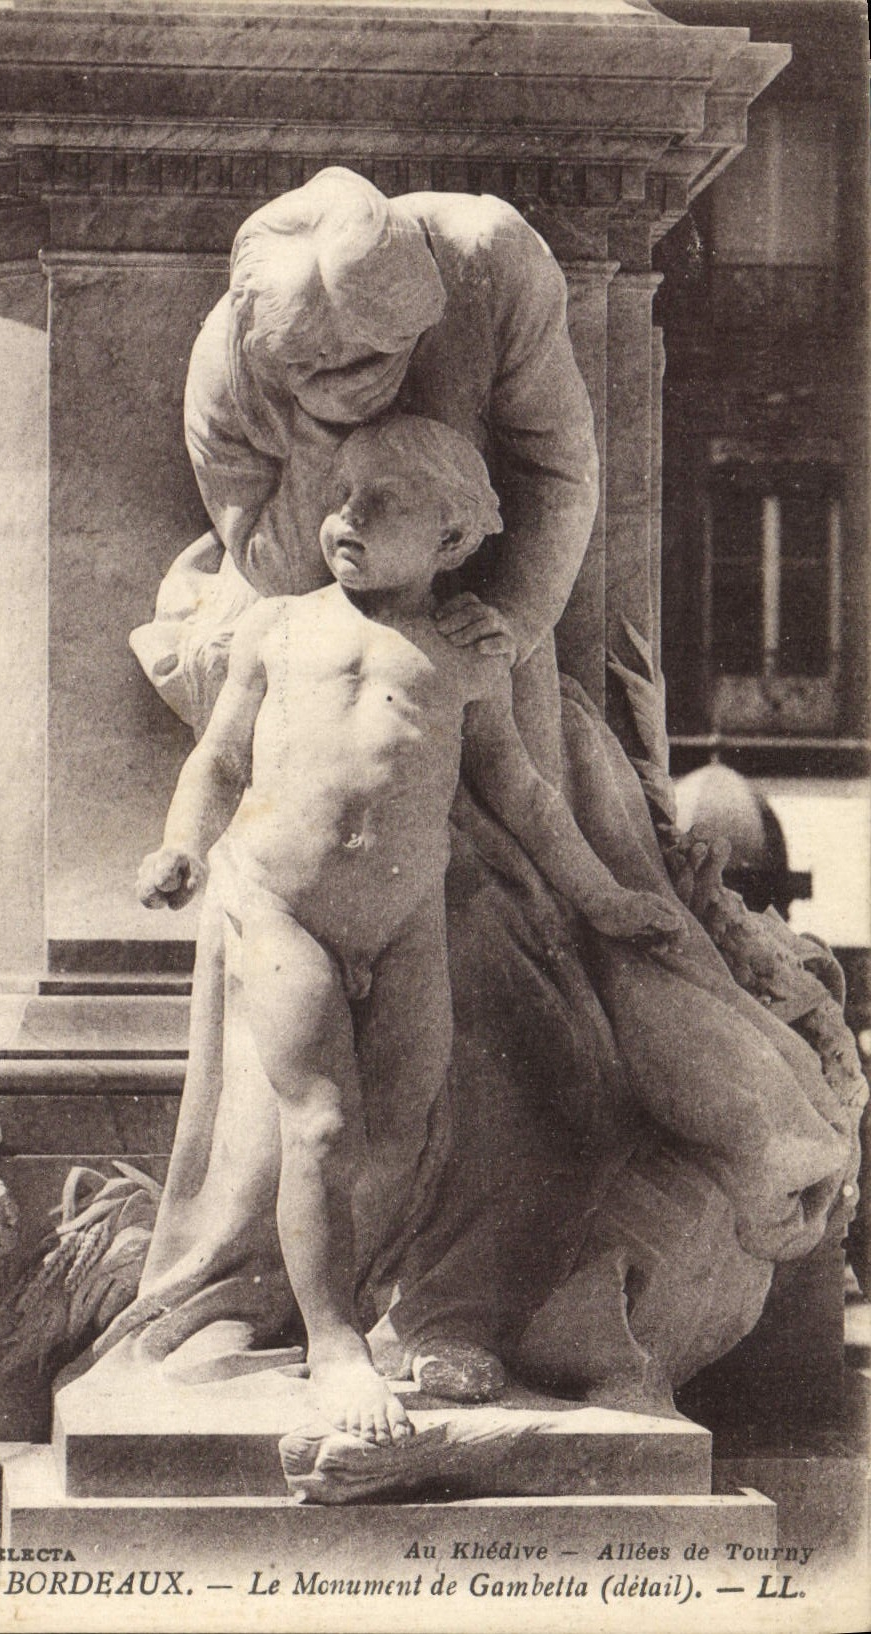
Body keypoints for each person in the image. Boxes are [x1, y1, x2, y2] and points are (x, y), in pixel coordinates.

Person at [113, 167, 852, 1410]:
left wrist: (495, 634)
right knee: (318, 1100)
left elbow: (559, 475)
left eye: (366, 365)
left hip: (476, 665)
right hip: (300, 794)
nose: (337, 392)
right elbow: (256, 577)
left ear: (415, 314)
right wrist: (352, 520)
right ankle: (304, 1318)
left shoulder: (491, 263)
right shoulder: (231, 370)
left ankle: (446, 1300)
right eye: (307, 376)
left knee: (485, 1013)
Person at [135, 416, 681, 1443]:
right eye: (342, 495)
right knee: (321, 1124)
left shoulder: (466, 656)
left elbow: (522, 792)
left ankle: (386, 1311)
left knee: (403, 1129)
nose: (347, 515)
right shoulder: (278, 629)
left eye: (381, 502)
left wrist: (602, 897)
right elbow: (218, 758)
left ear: (453, 538)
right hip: (280, 906)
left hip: (405, 921)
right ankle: (332, 1342)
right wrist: (181, 846)